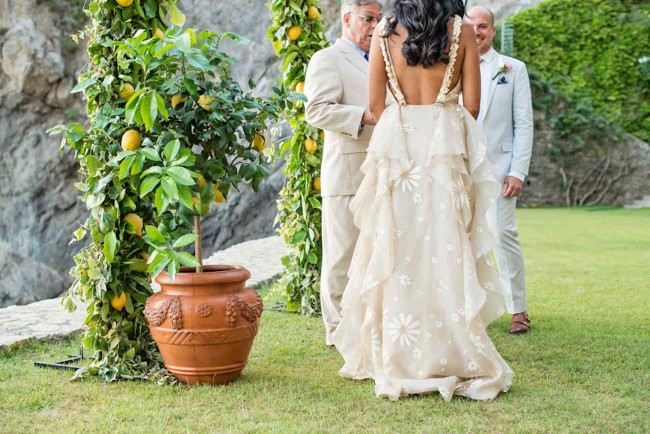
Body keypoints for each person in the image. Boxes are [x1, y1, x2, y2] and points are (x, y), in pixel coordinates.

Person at [331, 0, 514, 401]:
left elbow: (376, 108)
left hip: (400, 151)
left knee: (398, 249)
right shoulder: (462, 31)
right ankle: (452, 349)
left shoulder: (384, 33)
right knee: (447, 246)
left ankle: (400, 353)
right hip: (443, 149)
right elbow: (473, 106)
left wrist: (406, 107)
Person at [304, 0, 383, 346]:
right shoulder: (327, 58)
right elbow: (317, 111)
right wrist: (362, 116)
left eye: (380, 20)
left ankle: (368, 323)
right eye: (369, 19)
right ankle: (336, 331)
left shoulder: (384, 58)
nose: (375, 27)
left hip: (382, 172)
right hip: (347, 172)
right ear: (347, 18)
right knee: (341, 255)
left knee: (376, 253)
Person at [467, 6, 533, 334]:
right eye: (471, 26)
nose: (477, 31)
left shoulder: (512, 69)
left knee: (503, 235)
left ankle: (517, 309)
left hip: (500, 168)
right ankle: (468, 308)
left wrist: (517, 172)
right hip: (459, 167)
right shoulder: (449, 69)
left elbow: (524, 123)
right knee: (458, 238)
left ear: (493, 31)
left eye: (483, 26)